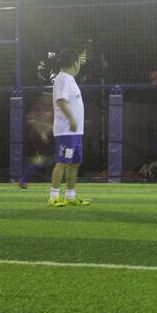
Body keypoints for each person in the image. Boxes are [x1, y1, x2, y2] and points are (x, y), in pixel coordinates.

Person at [47, 49, 89, 207]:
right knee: (62, 162)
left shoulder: (69, 79)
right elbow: (61, 101)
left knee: (75, 163)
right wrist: (72, 119)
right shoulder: (63, 78)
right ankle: (54, 197)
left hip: (75, 132)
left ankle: (70, 196)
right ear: (75, 63)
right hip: (66, 131)